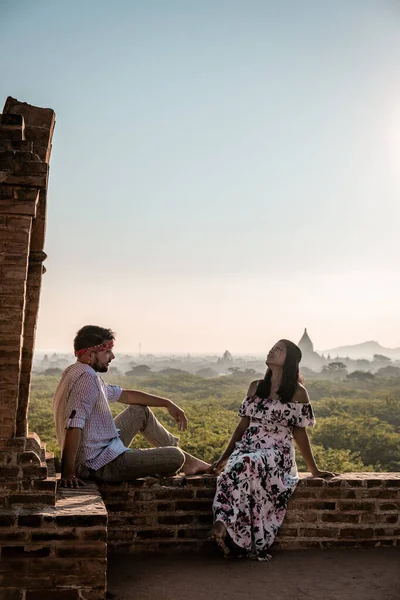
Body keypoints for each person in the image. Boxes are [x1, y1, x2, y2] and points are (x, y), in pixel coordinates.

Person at [208, 339, 336, 561]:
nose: (272, 351)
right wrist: (223, 458)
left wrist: (313, 470)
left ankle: (224, 525)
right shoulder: (256, 387)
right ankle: (225, 527)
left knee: (245, 464)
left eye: (279, 350)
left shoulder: (298, 393)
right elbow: (242, 427)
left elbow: (299, 433)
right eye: (273, 348)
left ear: (290, 361)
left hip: (277, 452)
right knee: (232, 470)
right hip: (247, 447)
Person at [53, 325, 210, 488]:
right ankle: (185, 461)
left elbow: (126, 395)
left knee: (139, 411)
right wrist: (68, 473)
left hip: (102, 450)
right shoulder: (86, 379)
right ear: (89, 355)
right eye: (106, 352)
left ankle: (190, 463)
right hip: (98, 465)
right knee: (176, 457)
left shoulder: (76, 372)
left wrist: (166, 403)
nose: (112, 356)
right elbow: (73, 425)